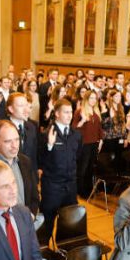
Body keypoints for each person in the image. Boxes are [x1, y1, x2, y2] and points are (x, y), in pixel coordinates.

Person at [39, 99, 82, 236]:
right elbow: (40, 160)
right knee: (47, 225)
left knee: (70, 226)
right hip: (52, 187)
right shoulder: (46, 134)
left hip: (70, 186)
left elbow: (78, 156)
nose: (69, 115)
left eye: (71, 112)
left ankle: (65, 254)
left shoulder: (76, 135)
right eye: (66, 112)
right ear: (57, 113)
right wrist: (49, 146)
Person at [0, 120, 39, 215]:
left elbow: (34, 196)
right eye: (8, 141)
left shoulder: (26, 161)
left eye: (17, 140)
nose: (14, 146)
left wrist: (31, 216)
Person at [73, 90, 104, 198]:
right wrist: (82, 121)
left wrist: (101, 139)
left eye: (95, 98)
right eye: (91, 98)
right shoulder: (79, 111)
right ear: (86, 99)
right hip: (84, 144)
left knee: (90, 168)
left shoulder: (96, 111)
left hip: (94, 143)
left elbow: (99, 128)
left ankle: (89, 189)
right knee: (83, 168)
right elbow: (73, 128)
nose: (93, 100)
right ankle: (80, 190)